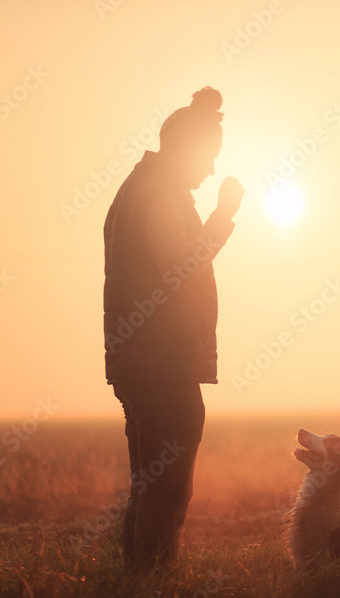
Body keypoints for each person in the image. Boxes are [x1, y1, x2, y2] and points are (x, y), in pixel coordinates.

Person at [102, 87, 244, 573]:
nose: (208, 171)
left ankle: (134, 594)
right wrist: (222, 216)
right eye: (207, 159)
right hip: (161, 361)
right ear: (186, 148)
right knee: (167, 487)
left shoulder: (139, 187)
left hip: (139, 359)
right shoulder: (161, 193)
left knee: (149, 484)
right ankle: (155, 594)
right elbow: (179, 269)